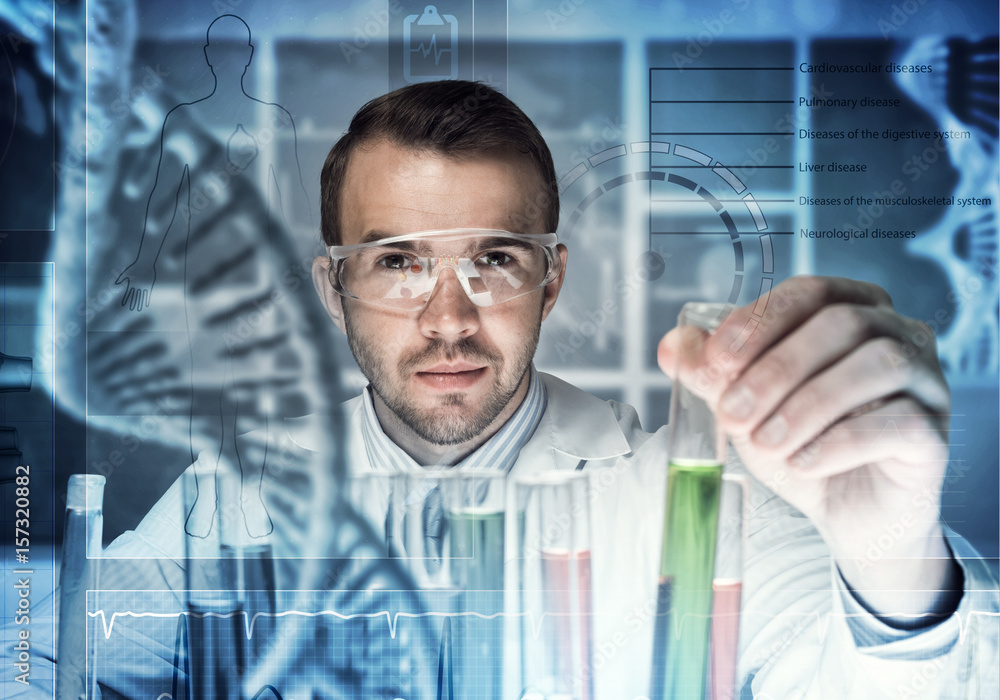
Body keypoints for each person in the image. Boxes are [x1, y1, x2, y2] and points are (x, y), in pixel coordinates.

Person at [6, 80, 997, 699]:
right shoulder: (236, 492)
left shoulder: (690, 494)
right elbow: (42, 665)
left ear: (550, 278)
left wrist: (893, 562)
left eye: (493, 258)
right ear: (334, 283)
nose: (448, 318)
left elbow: (871, 679)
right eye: (396, 261)